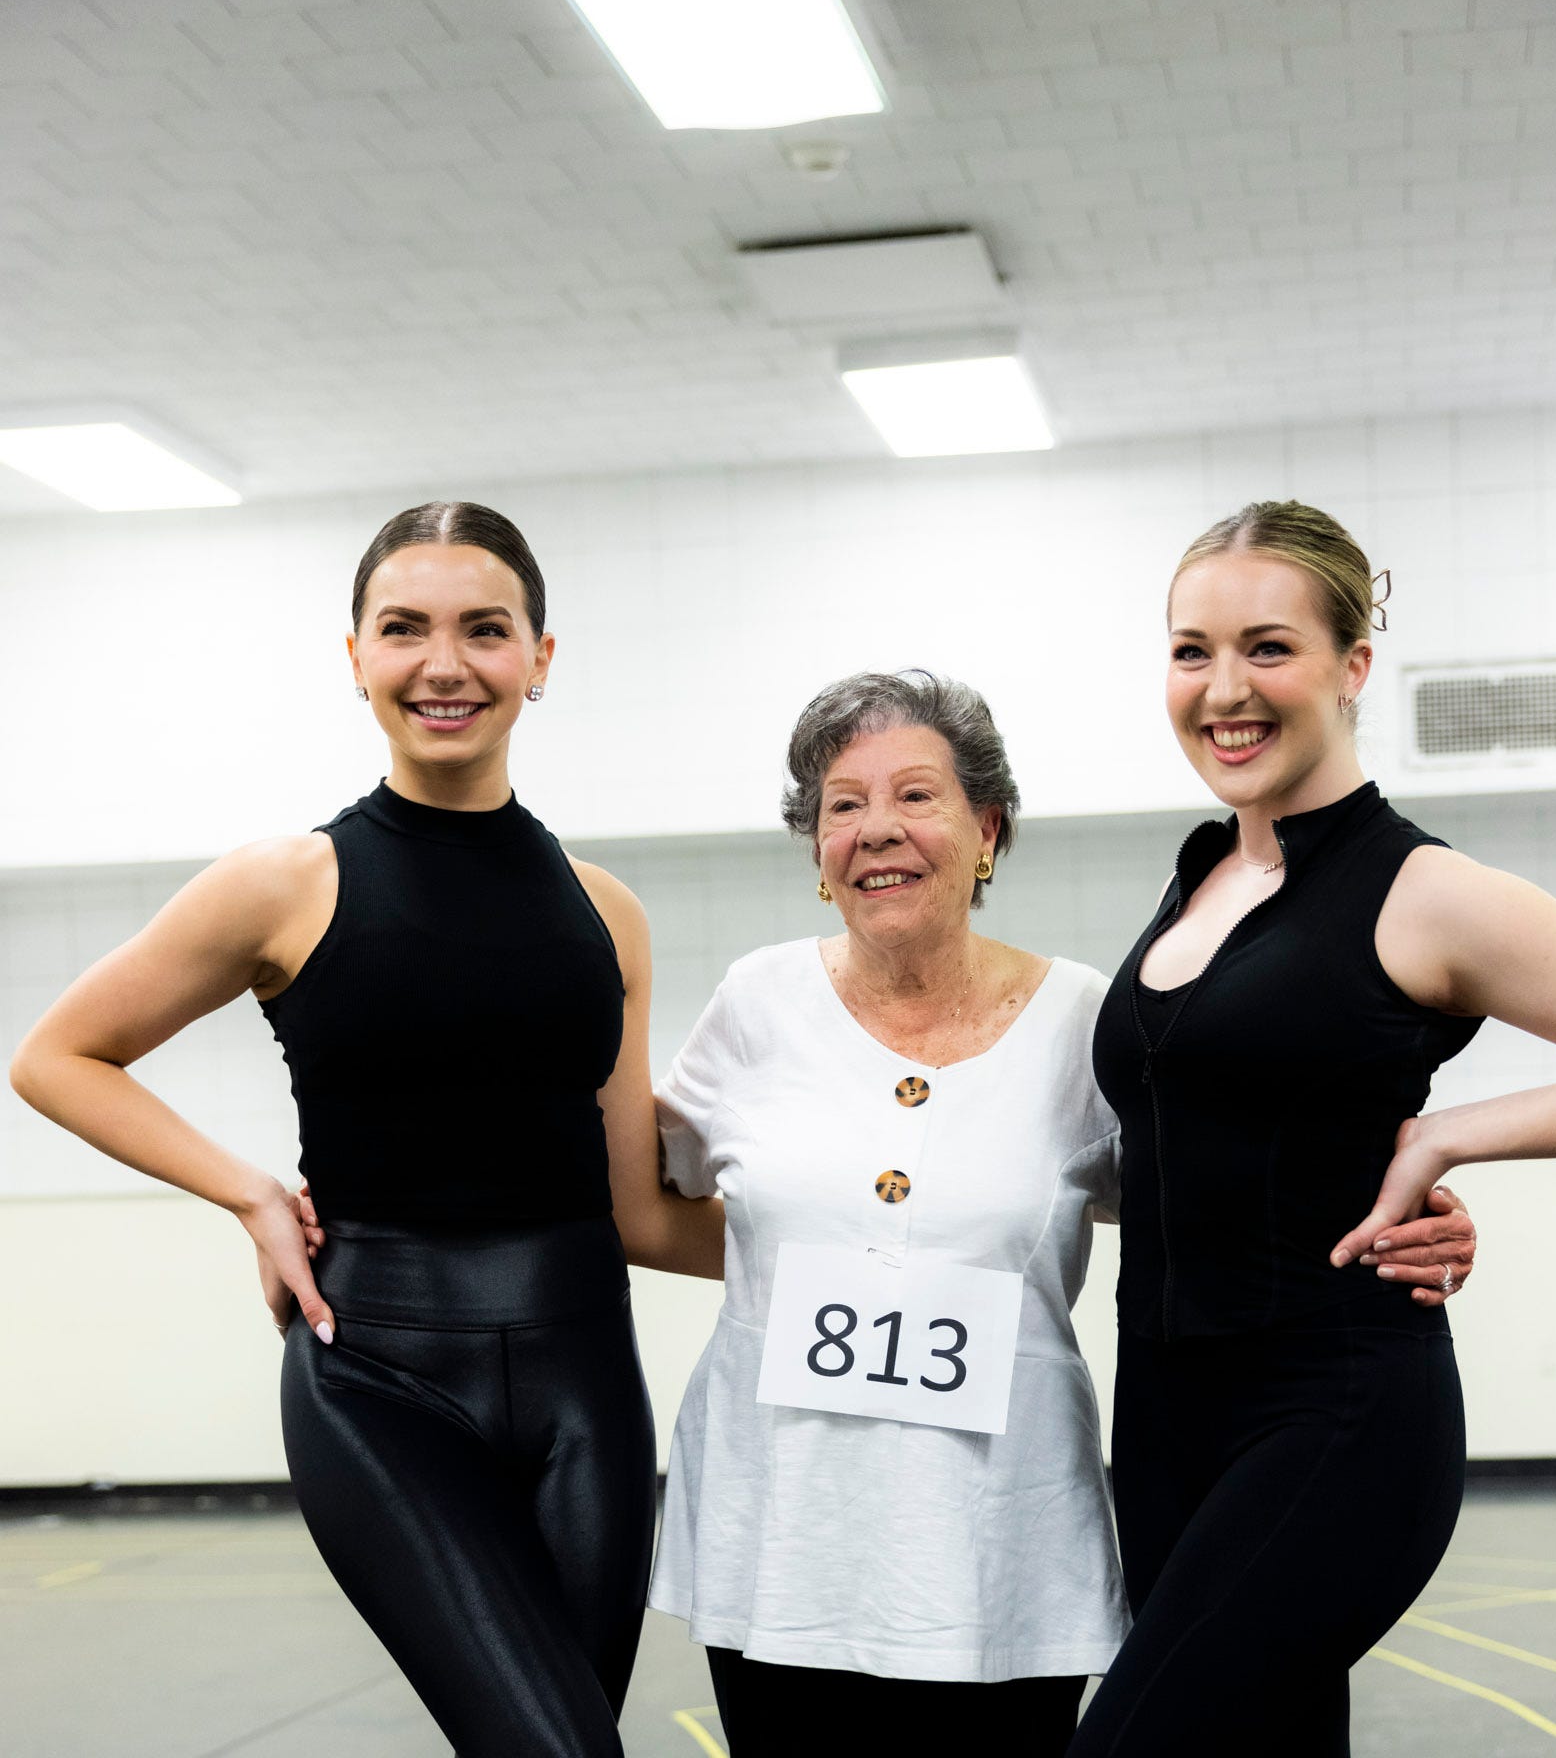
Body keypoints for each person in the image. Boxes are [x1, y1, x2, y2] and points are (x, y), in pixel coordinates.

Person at [646, 670, 1476, 1758]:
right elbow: (634, 1196)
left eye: (916, 797)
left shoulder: (1084, 1018)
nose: (876, 830)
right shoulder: (756, 1005)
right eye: (842, 804)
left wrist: (1411, 1203)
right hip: (785, 1533)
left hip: (1002, 1545)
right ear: (815, 847)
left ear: (987, 829)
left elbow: (1227, 1191)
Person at [9, 502, 720, 1758]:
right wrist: (247, 1193)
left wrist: (876, 1232)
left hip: (584, 1379)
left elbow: (634, 1204)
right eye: (405, 629)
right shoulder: (287, 882)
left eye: (485, 630)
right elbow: (58, 1056)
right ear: (355, 657)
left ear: (540, 659)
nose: (444, 665)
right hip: (379, 1376)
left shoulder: (604, 912)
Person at [1068, 501, 1556, 1755]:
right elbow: (1201, 1138)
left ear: (1352, 665)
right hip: (1165, 1407)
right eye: (1191, 650)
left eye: (1268, 647)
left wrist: (1443, 1143)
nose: (1224, 688)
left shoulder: (1426, 891)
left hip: (1333, 1409)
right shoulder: (1199, 877)